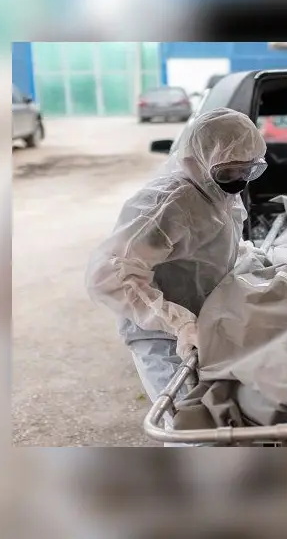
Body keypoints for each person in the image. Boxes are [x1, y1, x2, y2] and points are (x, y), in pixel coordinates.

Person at [86, 107, 267, 423]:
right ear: (198, 158)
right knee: (189, 428)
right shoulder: (169, 204)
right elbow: (110, 273)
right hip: (165, 340)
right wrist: (178, 323)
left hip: (205, 327)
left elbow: (215, 250)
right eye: (229, 172)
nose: (238, 181)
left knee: (223, 423)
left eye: (248, 171)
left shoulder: (217, 192)